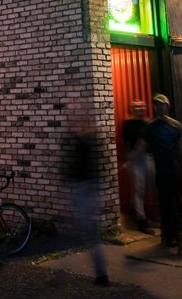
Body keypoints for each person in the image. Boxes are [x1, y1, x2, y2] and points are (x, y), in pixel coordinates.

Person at [145, 93, 182, 257]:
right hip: (161, 172)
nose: (160, 107)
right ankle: (169, 237)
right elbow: (145, 149)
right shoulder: (151, 127)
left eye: (163, 104)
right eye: (157, 105)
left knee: (172, 206)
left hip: (175, 171)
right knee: (167, 206)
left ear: (168, 105)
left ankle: (180, 242)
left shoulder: (175, 125)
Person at [66, 102, 109, 286]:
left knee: (89, 231)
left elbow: (88, 163)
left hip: (86, 188)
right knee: (84, 230)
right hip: (83, 187)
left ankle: (101, 274)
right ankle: (98, 271)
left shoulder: (88, 138)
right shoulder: (81, 137)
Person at [122, 100, 152, 232]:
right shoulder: (129, 124)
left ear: (145, 107)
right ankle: (142, 220)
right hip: (135, 159)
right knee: (139, 189)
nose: (138, 108)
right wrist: (128, 160)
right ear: (132, 108)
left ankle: (133, 212)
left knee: (150, 188)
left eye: (140, 106)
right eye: (135, 106)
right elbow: (126, 143)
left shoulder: (149, 123)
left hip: (149, 157)